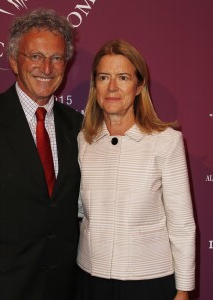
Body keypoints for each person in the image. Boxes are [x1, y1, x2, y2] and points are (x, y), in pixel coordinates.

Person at [0, 8, 83, 300]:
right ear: (13, 61)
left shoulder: (78, 126)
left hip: (61, 289)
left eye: (56, 57)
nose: (46, 68)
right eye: (35, 56)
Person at [76, 40, 195, 300]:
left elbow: (182, 223)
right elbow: (80, 211)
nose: (112, 87)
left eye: (123, 77)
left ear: (139, 86)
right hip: (90, 279)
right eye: (104, 77)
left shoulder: (166, 141)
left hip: (148, 283)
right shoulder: (83, 141)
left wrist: (183, 289)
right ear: (95, 85)